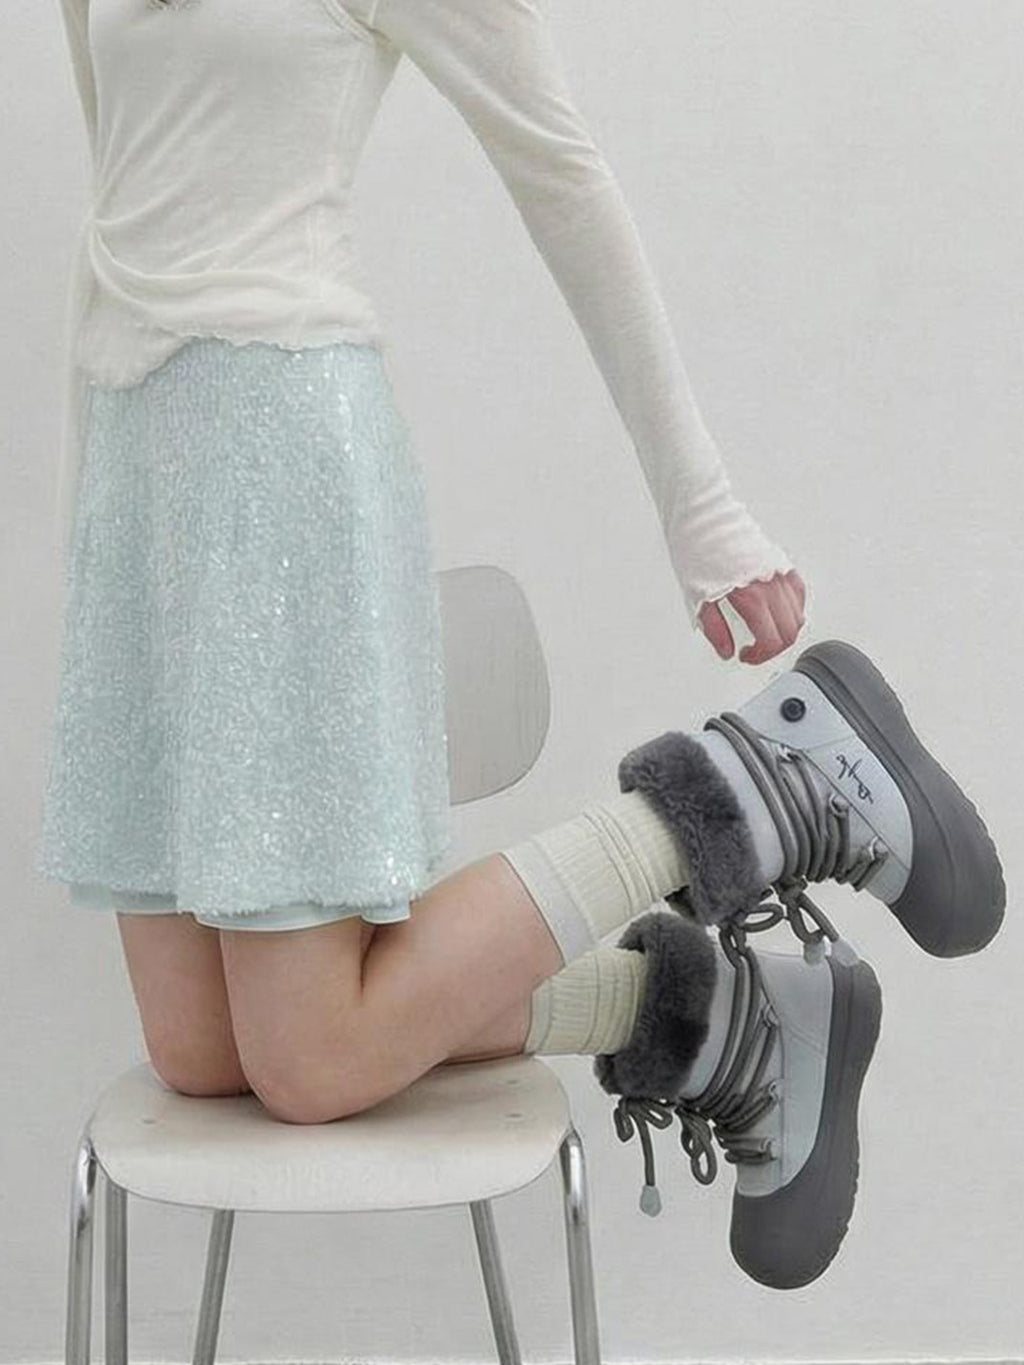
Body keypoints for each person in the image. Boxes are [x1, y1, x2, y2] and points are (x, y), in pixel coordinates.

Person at [36, 0, 1004, 1291]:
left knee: (311, 1061)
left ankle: (755, 781)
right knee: (203, 1055)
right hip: (144, 491)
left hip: (281, 473)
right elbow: (115, 215)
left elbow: (561, 170)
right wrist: (98, 555)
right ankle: (719, 1018)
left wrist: (702, 508)